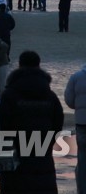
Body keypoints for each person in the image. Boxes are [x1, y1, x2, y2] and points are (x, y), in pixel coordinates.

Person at [0, 51, 63, 193]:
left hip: (16, 155)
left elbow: (1, 124)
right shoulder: (50, 95)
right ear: (39, 65)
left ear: (20, 65)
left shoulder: (10, 94)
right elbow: (58, 121)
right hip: (42, 155)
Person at [63, 59, 86, 194]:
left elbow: (69, 100)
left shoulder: (76, 77)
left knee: (82, 159)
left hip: (82, 123)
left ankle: (82, 189)